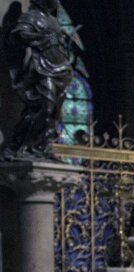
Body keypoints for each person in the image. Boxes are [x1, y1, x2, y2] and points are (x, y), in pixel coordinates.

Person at [0, 0, 73, 159]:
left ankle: (43, 147)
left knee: (54, 112)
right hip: (42, 68)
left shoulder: (53, 20)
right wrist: (44, 38)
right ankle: (21, 146)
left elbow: (59, 43)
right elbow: (19, 35)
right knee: (44, 108)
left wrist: (60, 42)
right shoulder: (31, 17)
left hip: (59, 67)